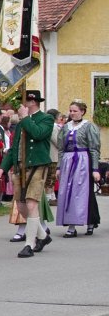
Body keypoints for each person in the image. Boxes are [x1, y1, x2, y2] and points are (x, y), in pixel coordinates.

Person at [0, 90, 54, 258]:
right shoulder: (22, 122)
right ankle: (42, 235)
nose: (22, 104)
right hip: (20, 167)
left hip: (37, 165)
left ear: (33, 102)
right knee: (21, 206)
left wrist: (25, 118)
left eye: (26, 101)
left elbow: (38, 134)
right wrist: (3, 167)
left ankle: (30, 243)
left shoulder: (46, 119)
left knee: (31, 204)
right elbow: (14, 147)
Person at [56, 101, 101, 237]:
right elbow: (61, 149)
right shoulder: (65, 127)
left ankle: (90, 221)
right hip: (68, 162)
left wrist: (95, 169)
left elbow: (94, 149)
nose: (72, 113)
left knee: (83, 193)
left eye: (75, 111)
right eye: (70, 111)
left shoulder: (88, 126)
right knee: (66, 192)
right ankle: (71, 226)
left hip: (83, 161)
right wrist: (59, 166)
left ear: (82, 112)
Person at [45, 109, 62, 206]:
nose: (60, 118)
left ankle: (52, 196)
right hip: (53, 155)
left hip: (53, 154)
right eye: (59, 116)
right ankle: (49, 197)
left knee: (52, 177)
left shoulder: (54, 126)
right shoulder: (53, 127)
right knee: (51, 177)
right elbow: (57, 141)